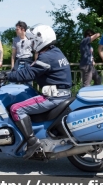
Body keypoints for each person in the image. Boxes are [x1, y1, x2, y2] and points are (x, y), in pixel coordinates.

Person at [5, 24, 72, 160]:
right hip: (63, 94)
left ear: (42, 40)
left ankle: (32, 142)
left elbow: (28, 74)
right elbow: (33, 69)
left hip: (54, 97)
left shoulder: (46, 57)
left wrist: (5, 75)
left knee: (16, 109)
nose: (33, 43)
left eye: (35, 40)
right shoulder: (56, 52)